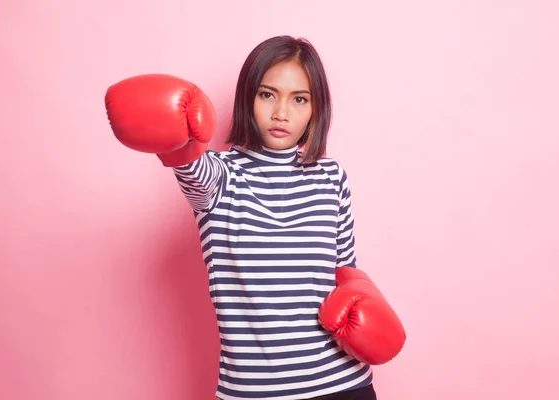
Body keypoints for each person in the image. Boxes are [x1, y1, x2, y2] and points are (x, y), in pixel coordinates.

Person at [105, 35, 405, 400]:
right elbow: (186, 159)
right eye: (267, 94)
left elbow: (346, 272)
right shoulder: (220, 177)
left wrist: (368, 317)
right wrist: (178, 138)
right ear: (248, 97)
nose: (282, 112)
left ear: (316, 109)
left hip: (343, 385)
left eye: (299, 99)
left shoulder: (332, 177)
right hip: (254, 393)